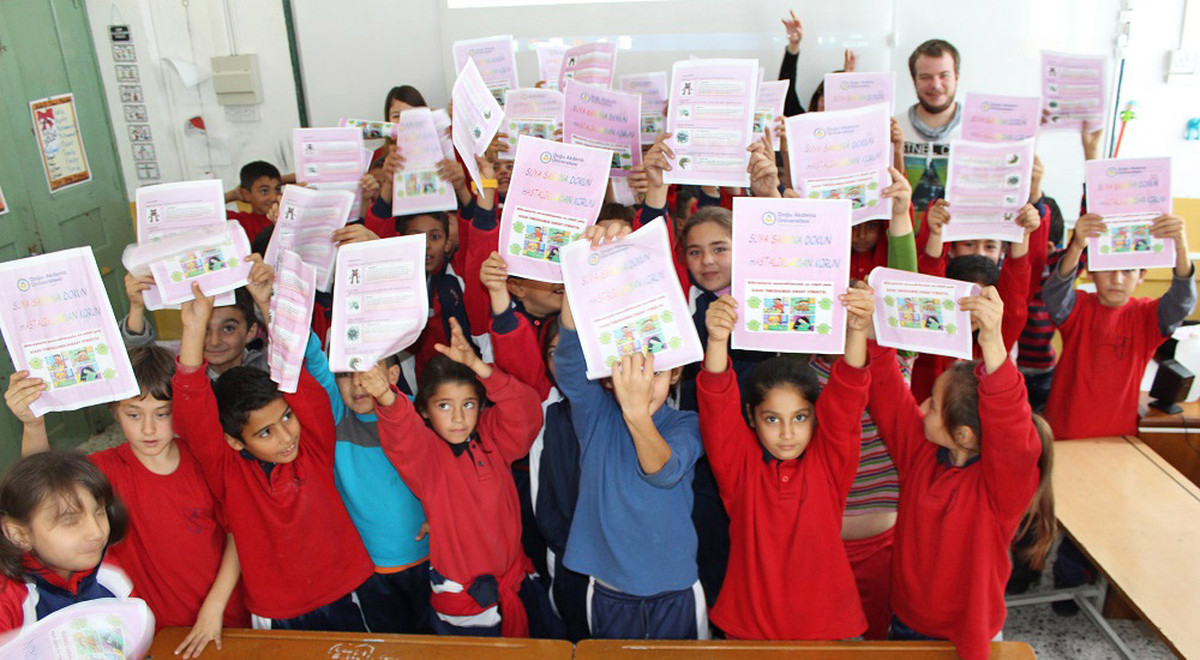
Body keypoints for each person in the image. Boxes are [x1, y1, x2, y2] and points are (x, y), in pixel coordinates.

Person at [6, 347, 249, 657]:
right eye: (134, 414)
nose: (148, 428)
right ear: (114, 410)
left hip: (223, 617)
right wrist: (34, 425)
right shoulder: (103, 470)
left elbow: (237, 532)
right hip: (151, 631)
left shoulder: (204, 460)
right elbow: (43, 490)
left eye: (162, 413)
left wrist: (215, 607)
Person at [172, 279, 378, 631]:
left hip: (346, 589)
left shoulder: (312, 446)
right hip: (277, 609)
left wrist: (268, 305)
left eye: (286, 417)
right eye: (265, 432)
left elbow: (293, 370)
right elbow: (192, 408)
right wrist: (193, 330)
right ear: (235, 442)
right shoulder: (228, 472)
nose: (286, 437)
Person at [867, 286, 1049, 660]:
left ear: (963, 435)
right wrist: (872, 331)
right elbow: (888, 393)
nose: (922, 406)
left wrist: (993, 341)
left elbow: (1012, 430)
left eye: (933, 405)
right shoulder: (922, 452)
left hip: (969, 636)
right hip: (906, 621)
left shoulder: (1002, 488)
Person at [554, 223, 706, 640]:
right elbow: (569, 361)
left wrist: (637, 412)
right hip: (609, 590)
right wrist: (582, 269)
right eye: (629, 371)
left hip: (674, 590)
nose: (641, 382)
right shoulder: (597, 415)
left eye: (655, 373)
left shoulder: (687, 424)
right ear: (610, 376)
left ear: (675, 373)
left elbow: (663, 471)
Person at [697, 283, 874, 640]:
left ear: (816, 416)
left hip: (826, 629)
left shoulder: (830, 464)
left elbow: (848, 395)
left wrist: (856, 331)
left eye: (800, 417)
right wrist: (716, 339)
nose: (787, 433)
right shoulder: (739, 467)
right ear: (751, 417)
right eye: (772, 419)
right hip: (749, 629)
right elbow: (716, 404)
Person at [367, 319, 558, 638]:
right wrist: (385, 395)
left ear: (481, 406)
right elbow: (402, 433)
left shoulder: (493, 436)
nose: (458, 418)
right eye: (444, 406)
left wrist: (479, 366)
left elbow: (526, 411)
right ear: (424, 411)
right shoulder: (427, 456)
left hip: (515, 582)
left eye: (468, 404)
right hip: (465, 600)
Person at [303, 346, 434, 635]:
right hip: (371, 571)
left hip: (432, 559)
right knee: (390, 646)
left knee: (437, 645)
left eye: (368, 369)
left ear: (393, 374)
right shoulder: (337, 418)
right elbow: (313, 358)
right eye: (345, 374)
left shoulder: (418, 413)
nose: (358, 382)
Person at [1042, 211, 1195, 440]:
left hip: (1119, 436)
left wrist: (1181, 246)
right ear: (1091, 272)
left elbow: (1182, 302)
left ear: (1141, 276)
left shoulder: (1148, 317)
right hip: (1065, 432)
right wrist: (1077, 245)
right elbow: (1054, 294)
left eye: (1128, 270)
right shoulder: (1078, 307)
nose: (1117, 279)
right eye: (1108, 268)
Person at [0, 451, 132, 632]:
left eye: (99, 512)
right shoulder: (9, 598)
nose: (96, 532)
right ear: (19, 534)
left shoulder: (110, 575)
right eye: (70, 520)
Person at [120, 276, 269, 380]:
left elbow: (283, 352)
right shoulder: (177, 370)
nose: (214, 341)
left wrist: (264, 302)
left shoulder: (266, 368)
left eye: (228, 329)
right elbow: (140, 360)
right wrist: (137, 307)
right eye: (204, 329)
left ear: (250, 332)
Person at [897, 39, 962, 218]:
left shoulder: (976, 132)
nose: (936, 85)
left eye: (944, 75)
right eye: (926, 77)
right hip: (903, 234)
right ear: (914, 80)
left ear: (957, 76)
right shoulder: (893, 129)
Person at [226, 161, 283, 242]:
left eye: (277, 189)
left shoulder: (287, 216)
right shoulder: (241, 221)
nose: (274, 197)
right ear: (246, 194)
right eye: (264, 191)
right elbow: (208, 206)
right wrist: (234, 194)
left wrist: (283, 179)